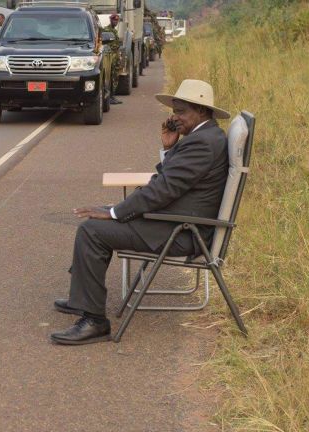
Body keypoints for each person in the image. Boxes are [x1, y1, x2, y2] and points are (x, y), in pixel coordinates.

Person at [50, 79, 232, 345]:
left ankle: (95, 321)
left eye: (181, 111)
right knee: (100, 219)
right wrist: (169, 148)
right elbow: (169, 181)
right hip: (176, 221)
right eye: (174, 111)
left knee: (92, 230)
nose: (175, 117)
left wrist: (115, 212)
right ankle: (83, 299)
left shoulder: (202, 143)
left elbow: (162, 190)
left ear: (202, 111)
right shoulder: (205, 137)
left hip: (181, 230)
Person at [102, 14, 123, 105]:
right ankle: (110, 97)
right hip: (110, 57)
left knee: (115, 77)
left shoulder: (114, 31)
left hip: (115, 57)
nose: (115, 22)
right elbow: (108, 45)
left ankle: (112, 96)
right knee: (111, 77)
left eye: (117, 21)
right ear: (110, 20)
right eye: (114, 20)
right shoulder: (107, 30)